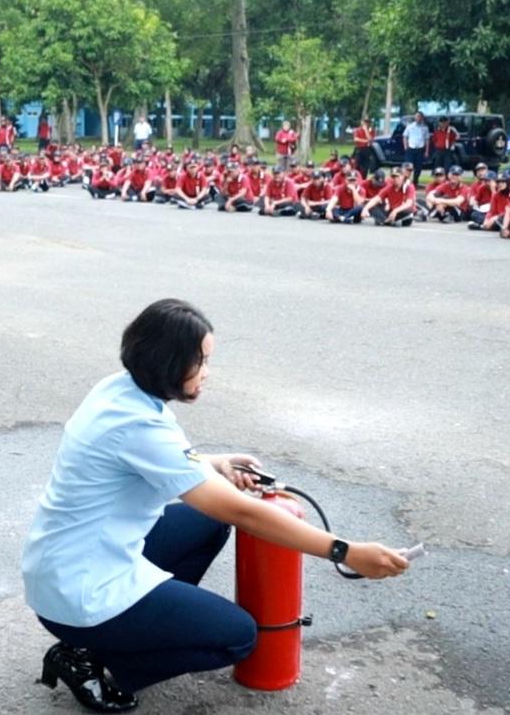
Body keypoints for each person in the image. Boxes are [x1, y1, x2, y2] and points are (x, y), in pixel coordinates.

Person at [23, 300, 408, 713]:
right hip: (79, 594)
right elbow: (240, 512)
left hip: (60, 565)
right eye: (201, 361)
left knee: (203, 524)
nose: (207, 371)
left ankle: (126, 631)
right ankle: (89, 657)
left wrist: (215, 463)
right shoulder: (139, 425)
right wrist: (344, 551)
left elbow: (152, 460)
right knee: (238, 636)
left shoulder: (119, 389)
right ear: (169, 363)